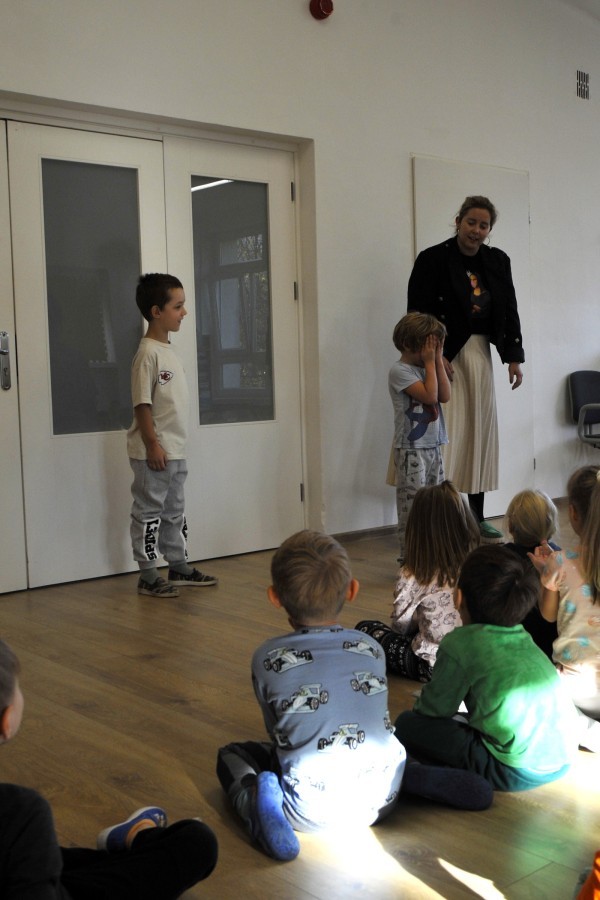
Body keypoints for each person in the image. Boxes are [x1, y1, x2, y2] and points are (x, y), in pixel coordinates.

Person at [216, 530, 492, 862]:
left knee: (233, 755)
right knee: (385, 742)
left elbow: (279, 733)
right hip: (383, 798)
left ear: (274, 597)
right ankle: (411, 775)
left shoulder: (266, 657)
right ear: (352, 590)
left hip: (308, 810)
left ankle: (263, 807)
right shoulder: (371, 648)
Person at [0, 637, 218, 898]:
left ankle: (135, 838)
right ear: (6, 721)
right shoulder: (20, 813)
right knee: (197, 843)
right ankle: (138, 835)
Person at [395, 545, 579, 791]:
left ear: (458, 597)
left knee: (406, 724)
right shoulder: (523, 637)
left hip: (515, 769)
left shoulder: (459, 644)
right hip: (563, 756)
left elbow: (432, 710)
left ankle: (449, 783)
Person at [407, 195, 525, 542]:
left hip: (478, 354)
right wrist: (432, 353)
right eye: (471, 222)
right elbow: (417, 311)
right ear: (458, 221)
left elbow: (509, 309)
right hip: (440, 353)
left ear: (489, 229)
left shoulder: (498, 261)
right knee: (442, 436)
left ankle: (475, 516)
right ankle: (439, 518)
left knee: (477, 434)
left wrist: (514, 357)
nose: (476, 230)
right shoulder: (432, 258)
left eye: (483, 225)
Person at [127, 273, 217, 597]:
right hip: (154, 453)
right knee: (149, 512)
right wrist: (153, 444)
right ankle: (148, 575)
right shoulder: (147, 354)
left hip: (175, 451)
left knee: (174, 511)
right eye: (178, 306)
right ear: (156, 311)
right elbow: (142, 404)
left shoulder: (170, 351)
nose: (184, 312)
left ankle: (178, 565)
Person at [356, 481, 479, 681]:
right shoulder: (475, 564)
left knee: (366, 628)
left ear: (417, 530)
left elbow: (400, 627)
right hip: (472, 658)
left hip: (432, 664)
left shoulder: (412, 574)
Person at [529, 465, 600, 721]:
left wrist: (546, 573)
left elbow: (548, 616)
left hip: (577, 690)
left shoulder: (559, 563)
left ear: (572, 513)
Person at [389, 311, 451, 561]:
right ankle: (409, 561)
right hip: (410, 450)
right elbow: (430, 396)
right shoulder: (399, 371)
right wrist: (430, 364)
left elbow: (444, 395)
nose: (431, 352)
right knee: (412, 508)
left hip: (433, 446)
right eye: (427, 347)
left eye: (435, 347)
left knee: (436, 505)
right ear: (408, 345)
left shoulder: (429, 368)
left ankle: (432, 557)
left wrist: (437, 361)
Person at [504, 488, 560, 660]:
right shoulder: (560, 557)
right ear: (551, 526)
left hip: (513, 648)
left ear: (511, 526)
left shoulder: (501, 558)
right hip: (551, 650)